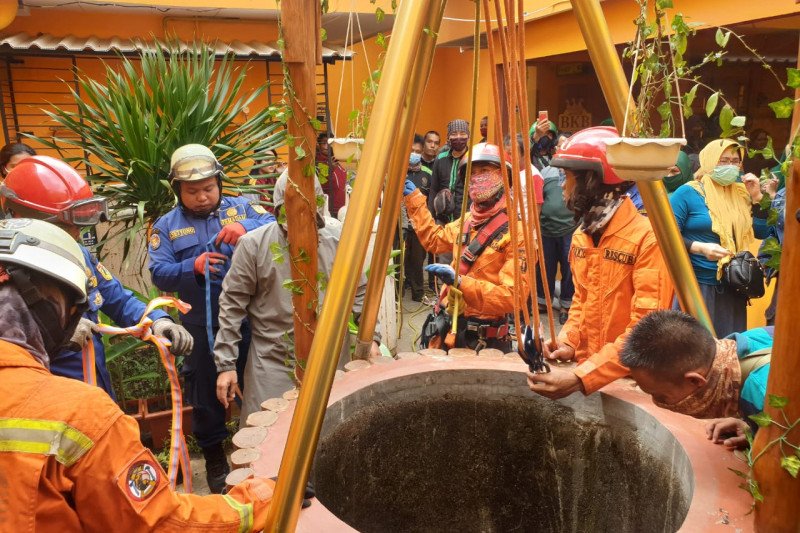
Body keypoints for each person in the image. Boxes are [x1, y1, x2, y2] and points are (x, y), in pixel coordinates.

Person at [0, 218, 276, 530]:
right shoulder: (81, 417)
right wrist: (264, 497)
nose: (75, 232)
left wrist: (157, 318)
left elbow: (114, 296)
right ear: (48, 305)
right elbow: (161, 522)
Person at [0, 155, 193, 398]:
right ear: (20, 219)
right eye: (63, 227)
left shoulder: (77, 253)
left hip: (94, 393)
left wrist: (157, 320)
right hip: (45, 401)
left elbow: (118, 299)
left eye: (78, 227)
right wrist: (57, 332)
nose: (76, 235)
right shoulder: (5, 270)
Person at [148, 143, 274, 493]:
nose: (202, 197)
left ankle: (262, 450)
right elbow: (159, 272)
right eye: (192, 191)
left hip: (250, 319)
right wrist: (192, 267)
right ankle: (215, 455)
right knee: (206, 392)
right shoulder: (166, 227)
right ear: (178, 191)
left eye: (208, 188)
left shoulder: (242, 207)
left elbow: (277, 220)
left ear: (219, 183)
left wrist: (247, 226)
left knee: (259, 384)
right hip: (202, 325)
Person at [214, 172, 381, 420]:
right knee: (268, 438)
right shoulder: (254, 246)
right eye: (290, 215)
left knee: (332, 430)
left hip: (331, 358)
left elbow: (360, 292)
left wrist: (372, 339)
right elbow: (232, 305)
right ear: (278, 210)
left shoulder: (338, 242)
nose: (298, 223)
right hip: (273, 362)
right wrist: (226, 364)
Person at [526, 127, 673, 399]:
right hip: (591, 374)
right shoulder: (583, 235)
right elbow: (582, 301)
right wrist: (569, 340)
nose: (561, 186)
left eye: (567, 177)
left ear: (592, 181)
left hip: (634, 384)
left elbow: (645, 330)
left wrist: (581, 377)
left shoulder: (647, 238)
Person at [404, 142, 529, 352]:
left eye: (486, 171)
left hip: (486, 342)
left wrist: (461, 282)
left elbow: (513, 297)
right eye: (473, 173)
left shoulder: (517, 233)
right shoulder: (467, 221)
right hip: (450, 328)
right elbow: (434, 240)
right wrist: (414, 200)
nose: (478, 178)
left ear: (504, 178)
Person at [619, 310, 774, 449]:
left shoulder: (765, 395)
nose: (656, 402)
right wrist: (753, 429)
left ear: (695, 381)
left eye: (661, 396)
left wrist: (768, 439)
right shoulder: (752, 339)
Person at [669, 139, 769, 337]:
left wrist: (758, 198)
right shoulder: (688, 193)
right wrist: (699, 247)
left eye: (735, 161)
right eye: (723, 161)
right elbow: (667, 235)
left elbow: (763, 231)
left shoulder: (741, 193)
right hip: (697, 286)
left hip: (733, 286)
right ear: (709, 160)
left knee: (728, 351)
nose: (730, 166)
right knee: (692, 350)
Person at [537, 132, 577, 325]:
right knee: (545, 267)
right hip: (546, 229)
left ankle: (566, 305)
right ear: (554, 150)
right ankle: (543, 302)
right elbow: (539, 199)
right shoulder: (545, 172)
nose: (563, 149)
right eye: (560, 146)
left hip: (570, 228)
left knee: (570, 269)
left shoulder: (577, 172)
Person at [403, 135, 432, 301]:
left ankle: (418, 293)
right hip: (401, 223)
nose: (414, 154)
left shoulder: (427, 173)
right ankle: (396, 295)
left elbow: (432, 196)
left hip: (419, 224)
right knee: (400, 258)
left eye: (417, 152)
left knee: (417, 260)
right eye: (411, 151)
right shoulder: (398, 172)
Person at [626, 151, 693, 215]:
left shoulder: (698, 195)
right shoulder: (654, 196)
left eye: (673, 171)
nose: (668, 175)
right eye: (666, 172)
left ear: (685, 171)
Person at [429, 119, 470, 224]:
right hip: (443, 219)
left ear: (468, 137)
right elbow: (433, 189)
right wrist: (431, 217)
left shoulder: (473, 158)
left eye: (462, 133)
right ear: (448, 137)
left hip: (466, 220)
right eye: (454, 134)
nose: (458, 137)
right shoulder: (440, 158)